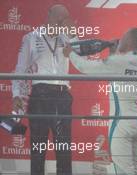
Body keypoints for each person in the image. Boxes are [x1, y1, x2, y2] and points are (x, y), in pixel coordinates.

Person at [63, 27, 137, 175]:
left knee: (124, 171)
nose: (119, 39)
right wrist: (114, 54)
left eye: (122, 37)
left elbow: (86, 67)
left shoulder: (119, 61)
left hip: (121, 124)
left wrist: (70, 53)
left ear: (128, 41)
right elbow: (119, 74)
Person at [12, 4, 77, 175]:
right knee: (38, 147)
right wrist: (16, 94)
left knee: (63, 147)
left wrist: (74, 35)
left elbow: (82, 58)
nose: (61, 22)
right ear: (49, 15)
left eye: (64, 19)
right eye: (59, 18)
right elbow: (20, 68)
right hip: (40, 95)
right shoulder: (31, 38)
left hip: (63, 96)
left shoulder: (68, 39)